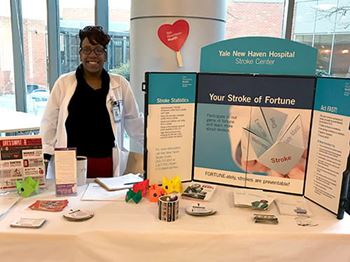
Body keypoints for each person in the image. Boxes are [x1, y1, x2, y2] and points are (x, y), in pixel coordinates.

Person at [40, 25, 144, 178]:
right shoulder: (64, 83)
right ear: (80, 54)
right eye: (87, 49)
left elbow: (135, 123)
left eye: (98, 50)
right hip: (70, 165)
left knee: (105, 201)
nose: (92, 55)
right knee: (73, 202)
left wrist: (156, 149)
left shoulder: (120, 84)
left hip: (107, 163)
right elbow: (49, 125)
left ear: (105, 55)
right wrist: (43, 160)